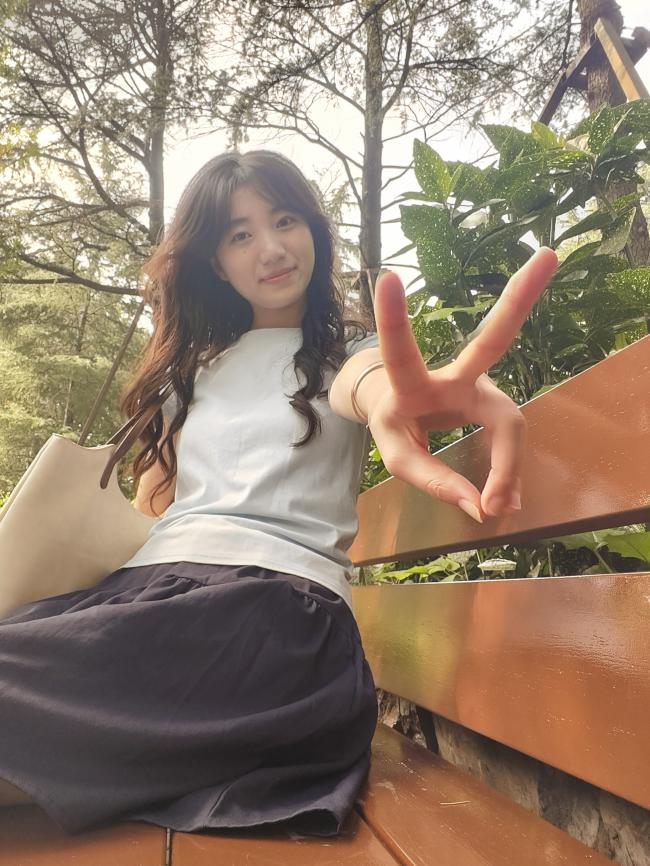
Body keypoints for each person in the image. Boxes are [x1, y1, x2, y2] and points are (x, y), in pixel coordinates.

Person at [0, 149, 558, 837]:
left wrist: (400, 399)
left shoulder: (345, 353)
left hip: (271, 618)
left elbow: (371, 386)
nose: (270, 248)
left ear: (314, 232)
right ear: (215, 262)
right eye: (240, 234)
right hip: (154, 600)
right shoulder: (191, 375)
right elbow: (154, 513)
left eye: (286, 219)